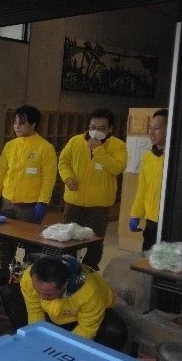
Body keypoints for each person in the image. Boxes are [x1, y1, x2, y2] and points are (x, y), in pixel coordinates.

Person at [0, 105, 57, 286]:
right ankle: (5, 274)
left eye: (22, 123)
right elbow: (1, 172)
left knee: (31, 245)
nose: (17, 126)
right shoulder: (10, 146)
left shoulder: (45, 148)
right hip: (8, 201)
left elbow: (49, 179)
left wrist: (42, 202)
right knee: (6, 242)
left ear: (34, 124)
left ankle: (28, 279)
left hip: (30, 205)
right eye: (15, 122)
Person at [0, 256, 127, 350]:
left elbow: (86, 329)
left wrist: (58, 352)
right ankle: (26, 341)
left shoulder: (90, 293)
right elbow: (34, 310)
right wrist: (36, 340)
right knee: (9, 292)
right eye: (38, 291)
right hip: (53, 313)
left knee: (115, 330)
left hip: (78, 319)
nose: (42, 297)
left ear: (65, 285)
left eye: (48, 294)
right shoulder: (30, 277)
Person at [58, 108, 126, 270]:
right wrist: (67, 177)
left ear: (110, 129)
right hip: (74, 199)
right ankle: (68, 268)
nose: (95, 132)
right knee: (68, 237)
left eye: (101, 129)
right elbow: (63, 162)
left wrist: (98, 150)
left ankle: (89, 269)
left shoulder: (118, 146)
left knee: (95, 240)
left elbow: (117, 168)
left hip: (99, 203)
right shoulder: (75, 141)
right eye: (93, 127)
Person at [130, 108, 168, 251]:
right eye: (150, 128)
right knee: (147, 260)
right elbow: (142, 189)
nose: (151, 133)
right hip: (151, 220)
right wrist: (136, 214)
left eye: (157, 128)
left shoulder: (176, 158)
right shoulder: (148, 157)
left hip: (171, 222)